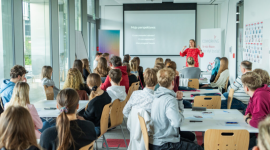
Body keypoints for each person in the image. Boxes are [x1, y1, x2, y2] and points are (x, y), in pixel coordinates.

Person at [150, 68, 203, 150]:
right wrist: (180, 113)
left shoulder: (156, 96)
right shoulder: (169, 99)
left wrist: (179, 101)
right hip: (165, 144)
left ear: (159, 83)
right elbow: (177, 123)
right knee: (199, 148)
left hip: (157, 140)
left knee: (192, 141)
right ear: (172, 82)